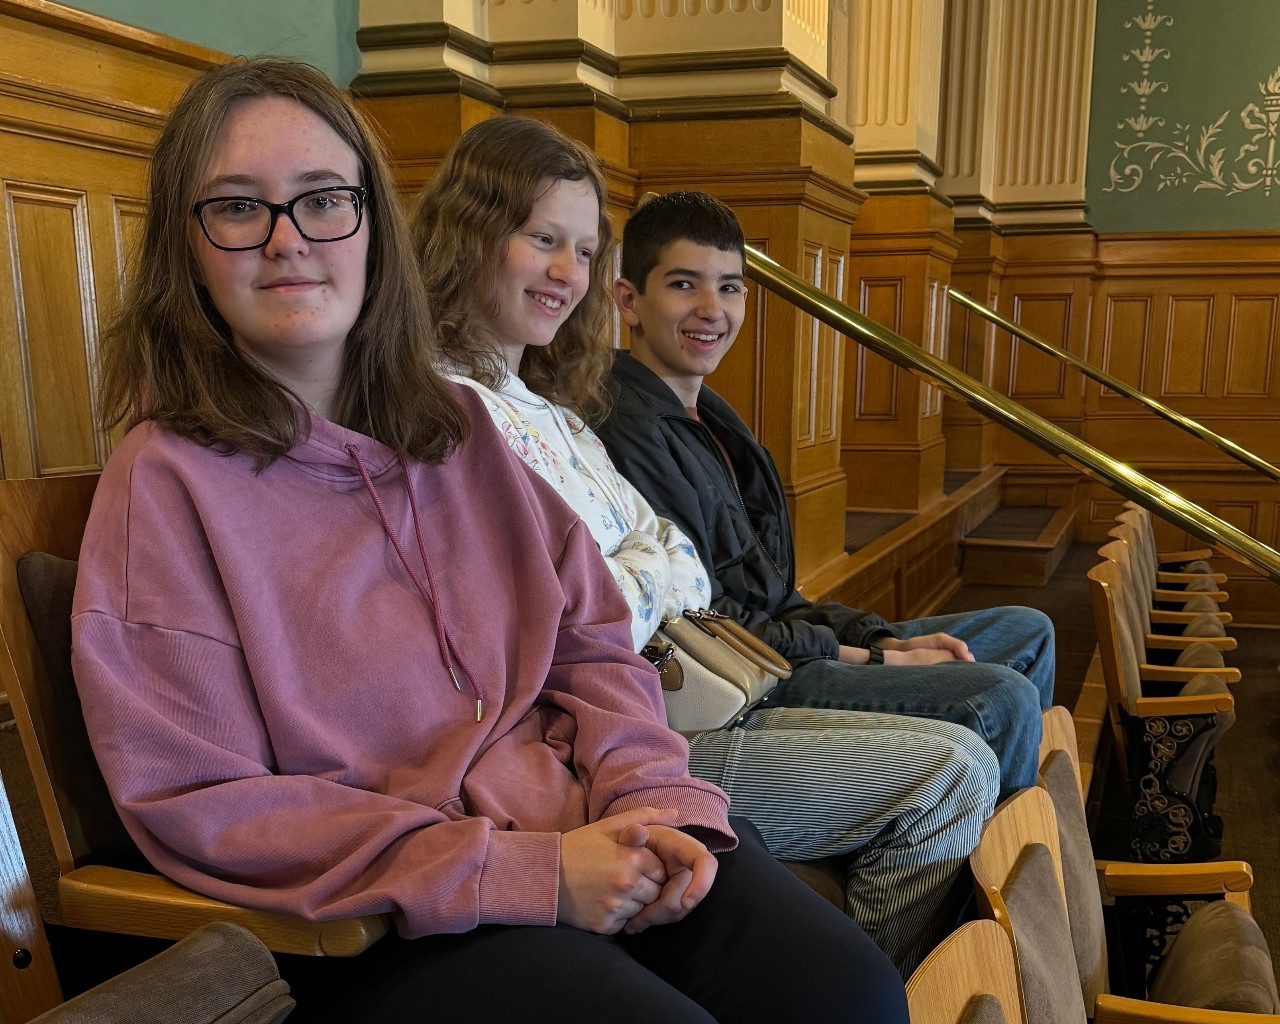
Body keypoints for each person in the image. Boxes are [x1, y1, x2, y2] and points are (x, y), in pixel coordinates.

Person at [69, 60, 907, 1024]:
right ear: (188, 246)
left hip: (582, 818)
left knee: (850, 991)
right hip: (377, 918)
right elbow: (201, 796)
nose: (288, 240)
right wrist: (531, 874)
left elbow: (592, 644)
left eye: (323, 200)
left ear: (374, 228)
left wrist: (648, 797)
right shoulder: (165, 480)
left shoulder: (459, 427)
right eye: (236, 208)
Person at [411, 114, 1000, 974]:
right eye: (544, 240)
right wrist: (637, 573)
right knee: (956, 768)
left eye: (583, 251)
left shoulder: (550, 408)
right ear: (471, 233)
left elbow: (675, 557)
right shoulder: (442, 410)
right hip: (621, 720)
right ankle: (912, 985)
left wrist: (634, 573)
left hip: (687, 675)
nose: (567, 274)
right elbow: (562, 609)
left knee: (994, 691)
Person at [596, 190, 1058, 796]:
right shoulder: (628, 427)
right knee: (1000, 695)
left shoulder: (710, 415)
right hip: (747, 673)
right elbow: (708, 620)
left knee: (1028, 629)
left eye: (730, 287)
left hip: (781, 638)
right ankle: (1012, 880)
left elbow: (776, 592)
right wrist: (879, 658)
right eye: (684, 285)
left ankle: (1009, 835)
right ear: (629, 300)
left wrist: (872, 633)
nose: (712, 309)